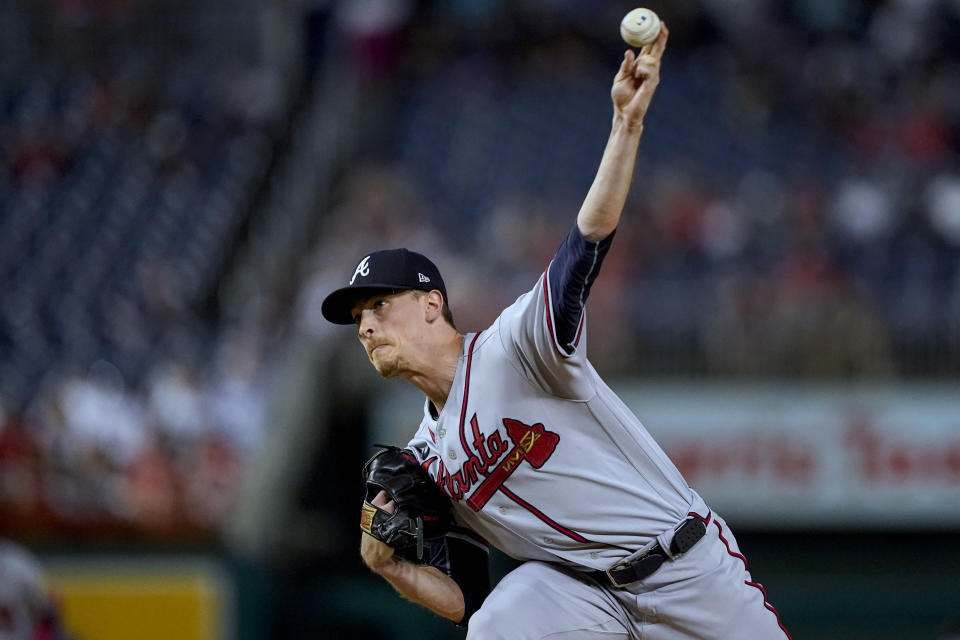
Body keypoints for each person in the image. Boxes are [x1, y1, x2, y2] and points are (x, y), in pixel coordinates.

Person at [321, 25, 791, 639]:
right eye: (359, 318)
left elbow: (585, 243)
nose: (367, 325)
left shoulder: (515, 348)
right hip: (583, 600)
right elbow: (464, 600)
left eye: (380, 305)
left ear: (433, 302)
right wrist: (388, 567)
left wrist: (626, 127)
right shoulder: (425, 459)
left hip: (685, 570)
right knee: (498, 624)